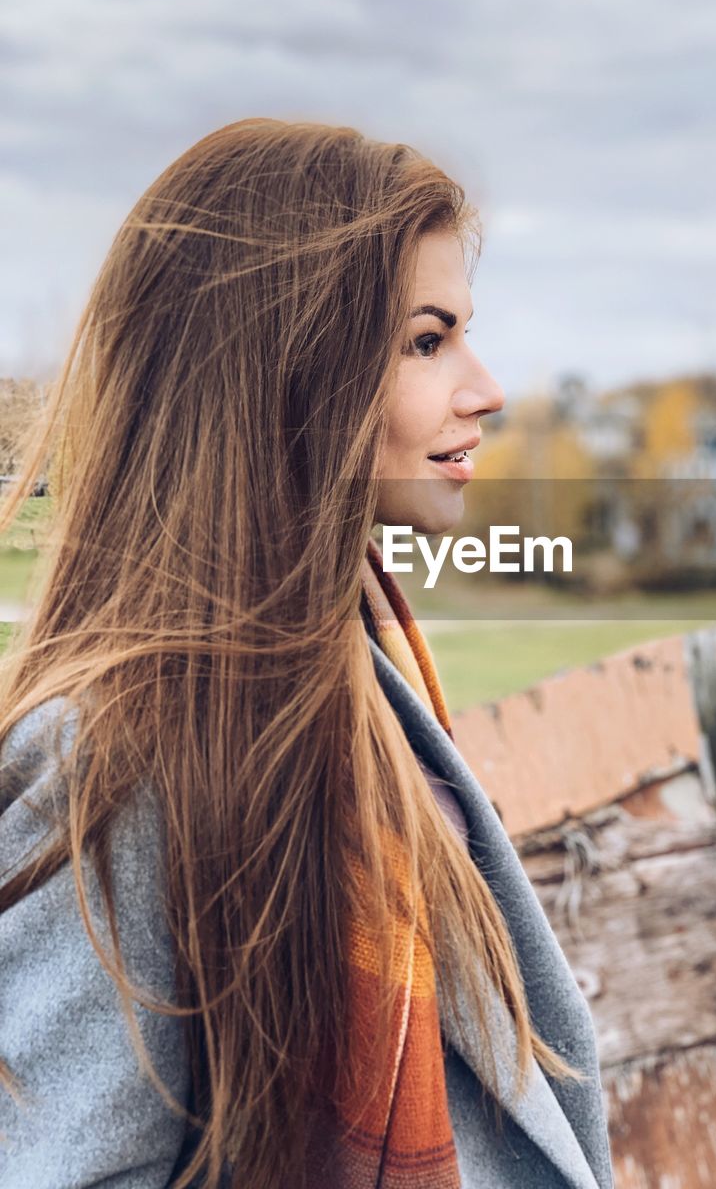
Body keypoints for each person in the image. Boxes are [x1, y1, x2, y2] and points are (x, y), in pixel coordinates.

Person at [0, 119, 613, 1189]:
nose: (485, 388)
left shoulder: (359, 676)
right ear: (287, 368)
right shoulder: (116, 754)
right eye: (427, 341)